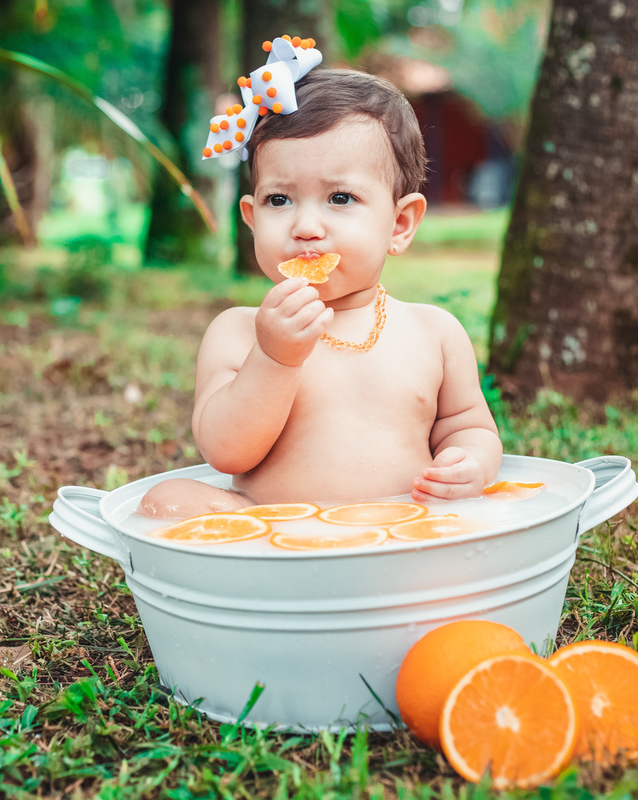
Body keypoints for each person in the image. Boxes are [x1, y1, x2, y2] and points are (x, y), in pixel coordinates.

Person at [140, 50, 501, 519]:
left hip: (401, 531)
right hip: (275, 533)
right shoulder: (238, 332)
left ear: (400, 224)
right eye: (279, 199)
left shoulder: (434, 333)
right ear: (251, 218)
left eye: (339, 197)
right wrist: (273, 357)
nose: (306, 225)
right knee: (166, 500)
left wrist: (470, 461)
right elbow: (226, 453)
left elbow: (468, 427)